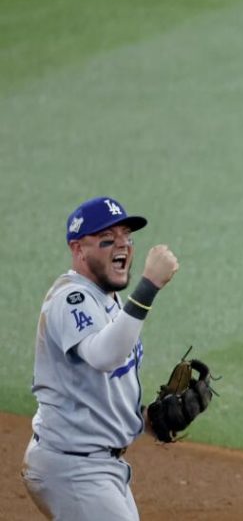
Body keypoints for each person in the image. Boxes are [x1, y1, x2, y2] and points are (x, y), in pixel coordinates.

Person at [21, 196, 188, 520]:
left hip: (97, 467)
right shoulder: (70, 298)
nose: (122, 244)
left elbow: (101, 386)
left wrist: (147, 420)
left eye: (127, 236)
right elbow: (105, 356)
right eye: (107, 239)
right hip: (73, 469)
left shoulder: (108, 300)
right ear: (78, 249)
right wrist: (149, 286)